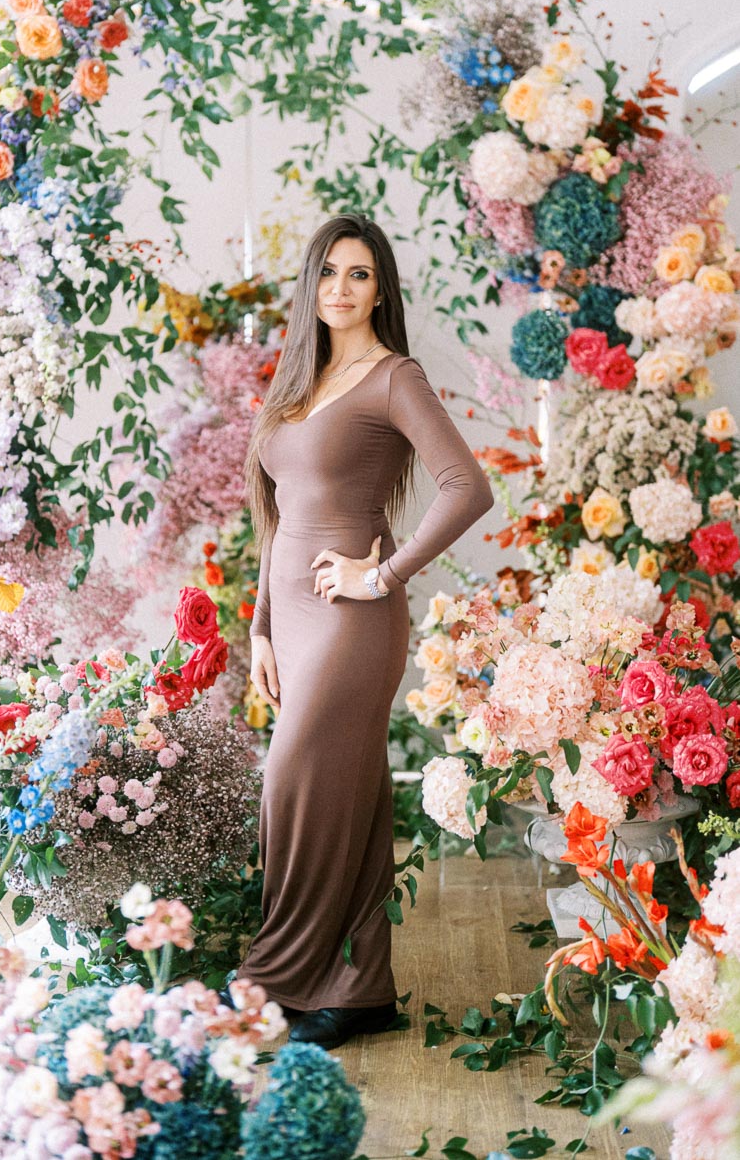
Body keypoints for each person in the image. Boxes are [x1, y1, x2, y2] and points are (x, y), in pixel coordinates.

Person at [234, 213, 495, 1051]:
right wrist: (262, 628)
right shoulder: (296, 385)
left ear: (381, 288)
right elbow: (278, 521)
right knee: (351, 798)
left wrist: (380, 575)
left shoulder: (394, 377)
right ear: (311, 284)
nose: (341, 289)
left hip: (354, 623)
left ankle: (277, 976)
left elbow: (467, 487)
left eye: (359, 275)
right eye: (329, 273)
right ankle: (359, 986)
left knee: (293, 788)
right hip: (295, 624)